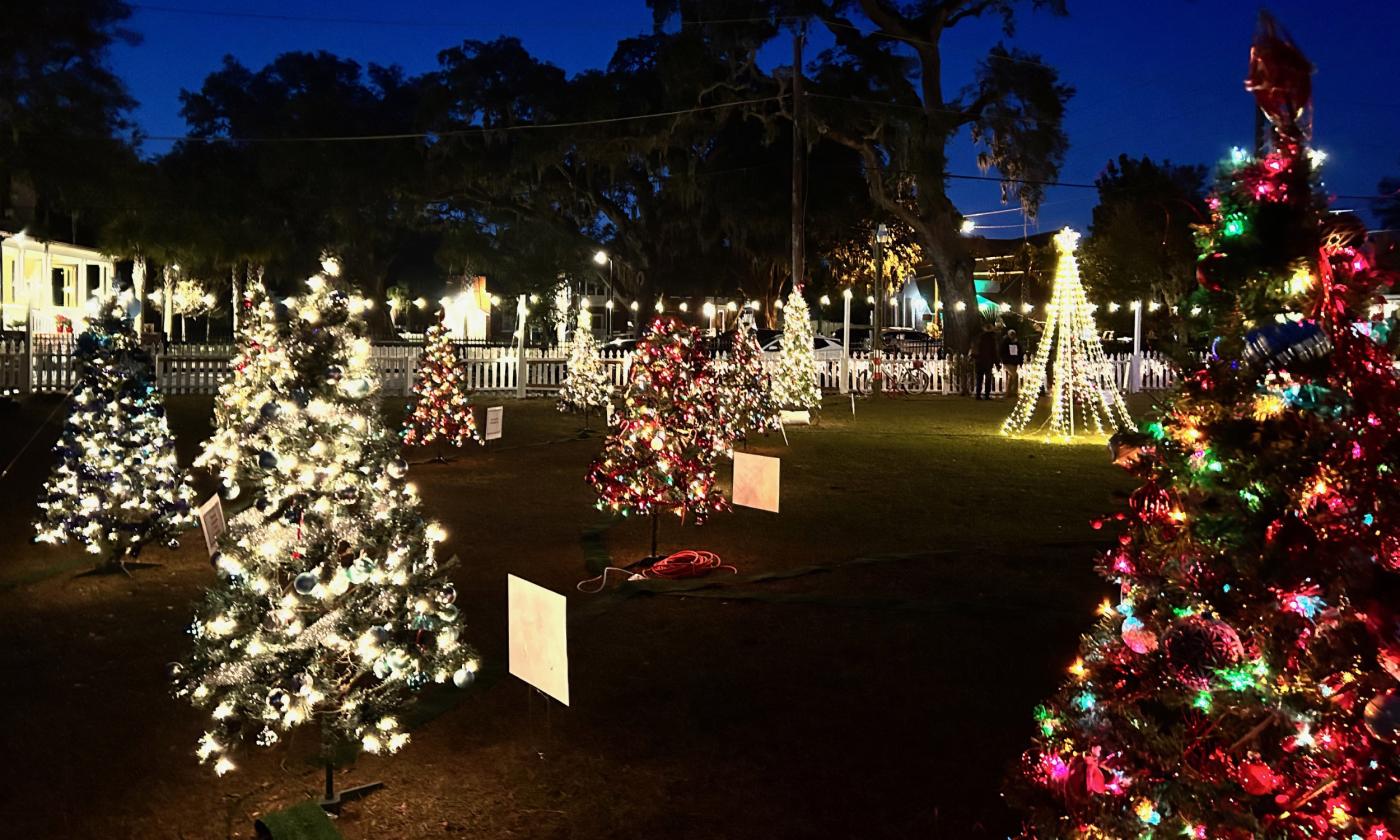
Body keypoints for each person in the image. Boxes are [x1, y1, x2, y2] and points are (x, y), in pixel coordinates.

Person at [973, 323, 1000, 400]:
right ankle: (986, 395)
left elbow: (975, 349)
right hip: (988, 361)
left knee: (979, 378)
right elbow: (994, 352)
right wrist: (997, 363)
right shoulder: (992, 339)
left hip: (979, 361)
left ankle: (978, 395)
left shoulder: (979, 337)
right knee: (988, 379)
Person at [1001, 328, 1023, 398]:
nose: (1012, 336)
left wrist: (1020, 362)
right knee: (1015, 375)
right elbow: (1002, 351)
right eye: (1011, 334)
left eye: (1013, 334)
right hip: (1007, 362)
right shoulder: (1005, 342)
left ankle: (1008, 393)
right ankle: (1014, 391)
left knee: (1011, 377)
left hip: (1014, 362)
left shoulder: (1017, 343)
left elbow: (1020, 352)